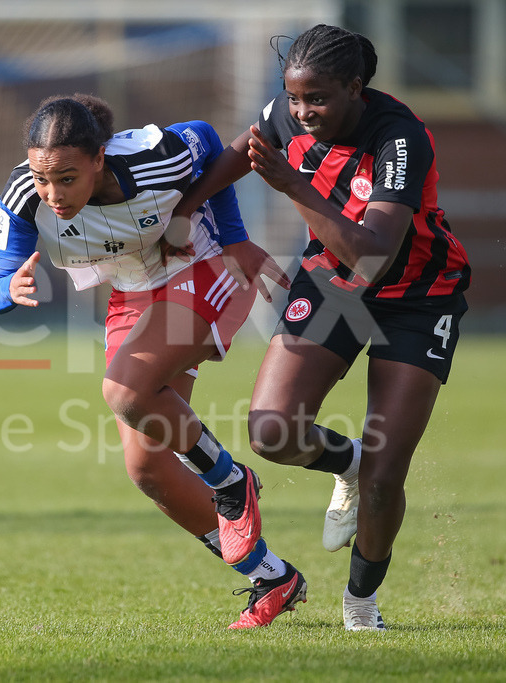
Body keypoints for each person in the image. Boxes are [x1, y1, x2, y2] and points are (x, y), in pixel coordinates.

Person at [173, 24, 470, 630]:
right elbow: (239, 152)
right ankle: (347, 463)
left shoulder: (400, 136)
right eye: (294, 99)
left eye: (319, 100)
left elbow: (372, 255)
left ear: (355, 89)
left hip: (417, 296)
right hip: (333, 284)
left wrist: (291, 184)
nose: (302, 112)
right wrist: (183, 209)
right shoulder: (287, 112)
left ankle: (361, 601)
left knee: (389, 474)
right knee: (273, 431)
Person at [0, 94, 305, 628]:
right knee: (147, 466)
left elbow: (209, 141)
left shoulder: (157, 157)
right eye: (42, 178)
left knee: (125, 390)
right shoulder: (24, 194)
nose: (52, 194)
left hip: (200, 264)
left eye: (67, 178)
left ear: (99, 159)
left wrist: (238, 238)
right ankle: (270, 575)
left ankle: (229, 482)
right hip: (134, 290)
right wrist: (6, 288)